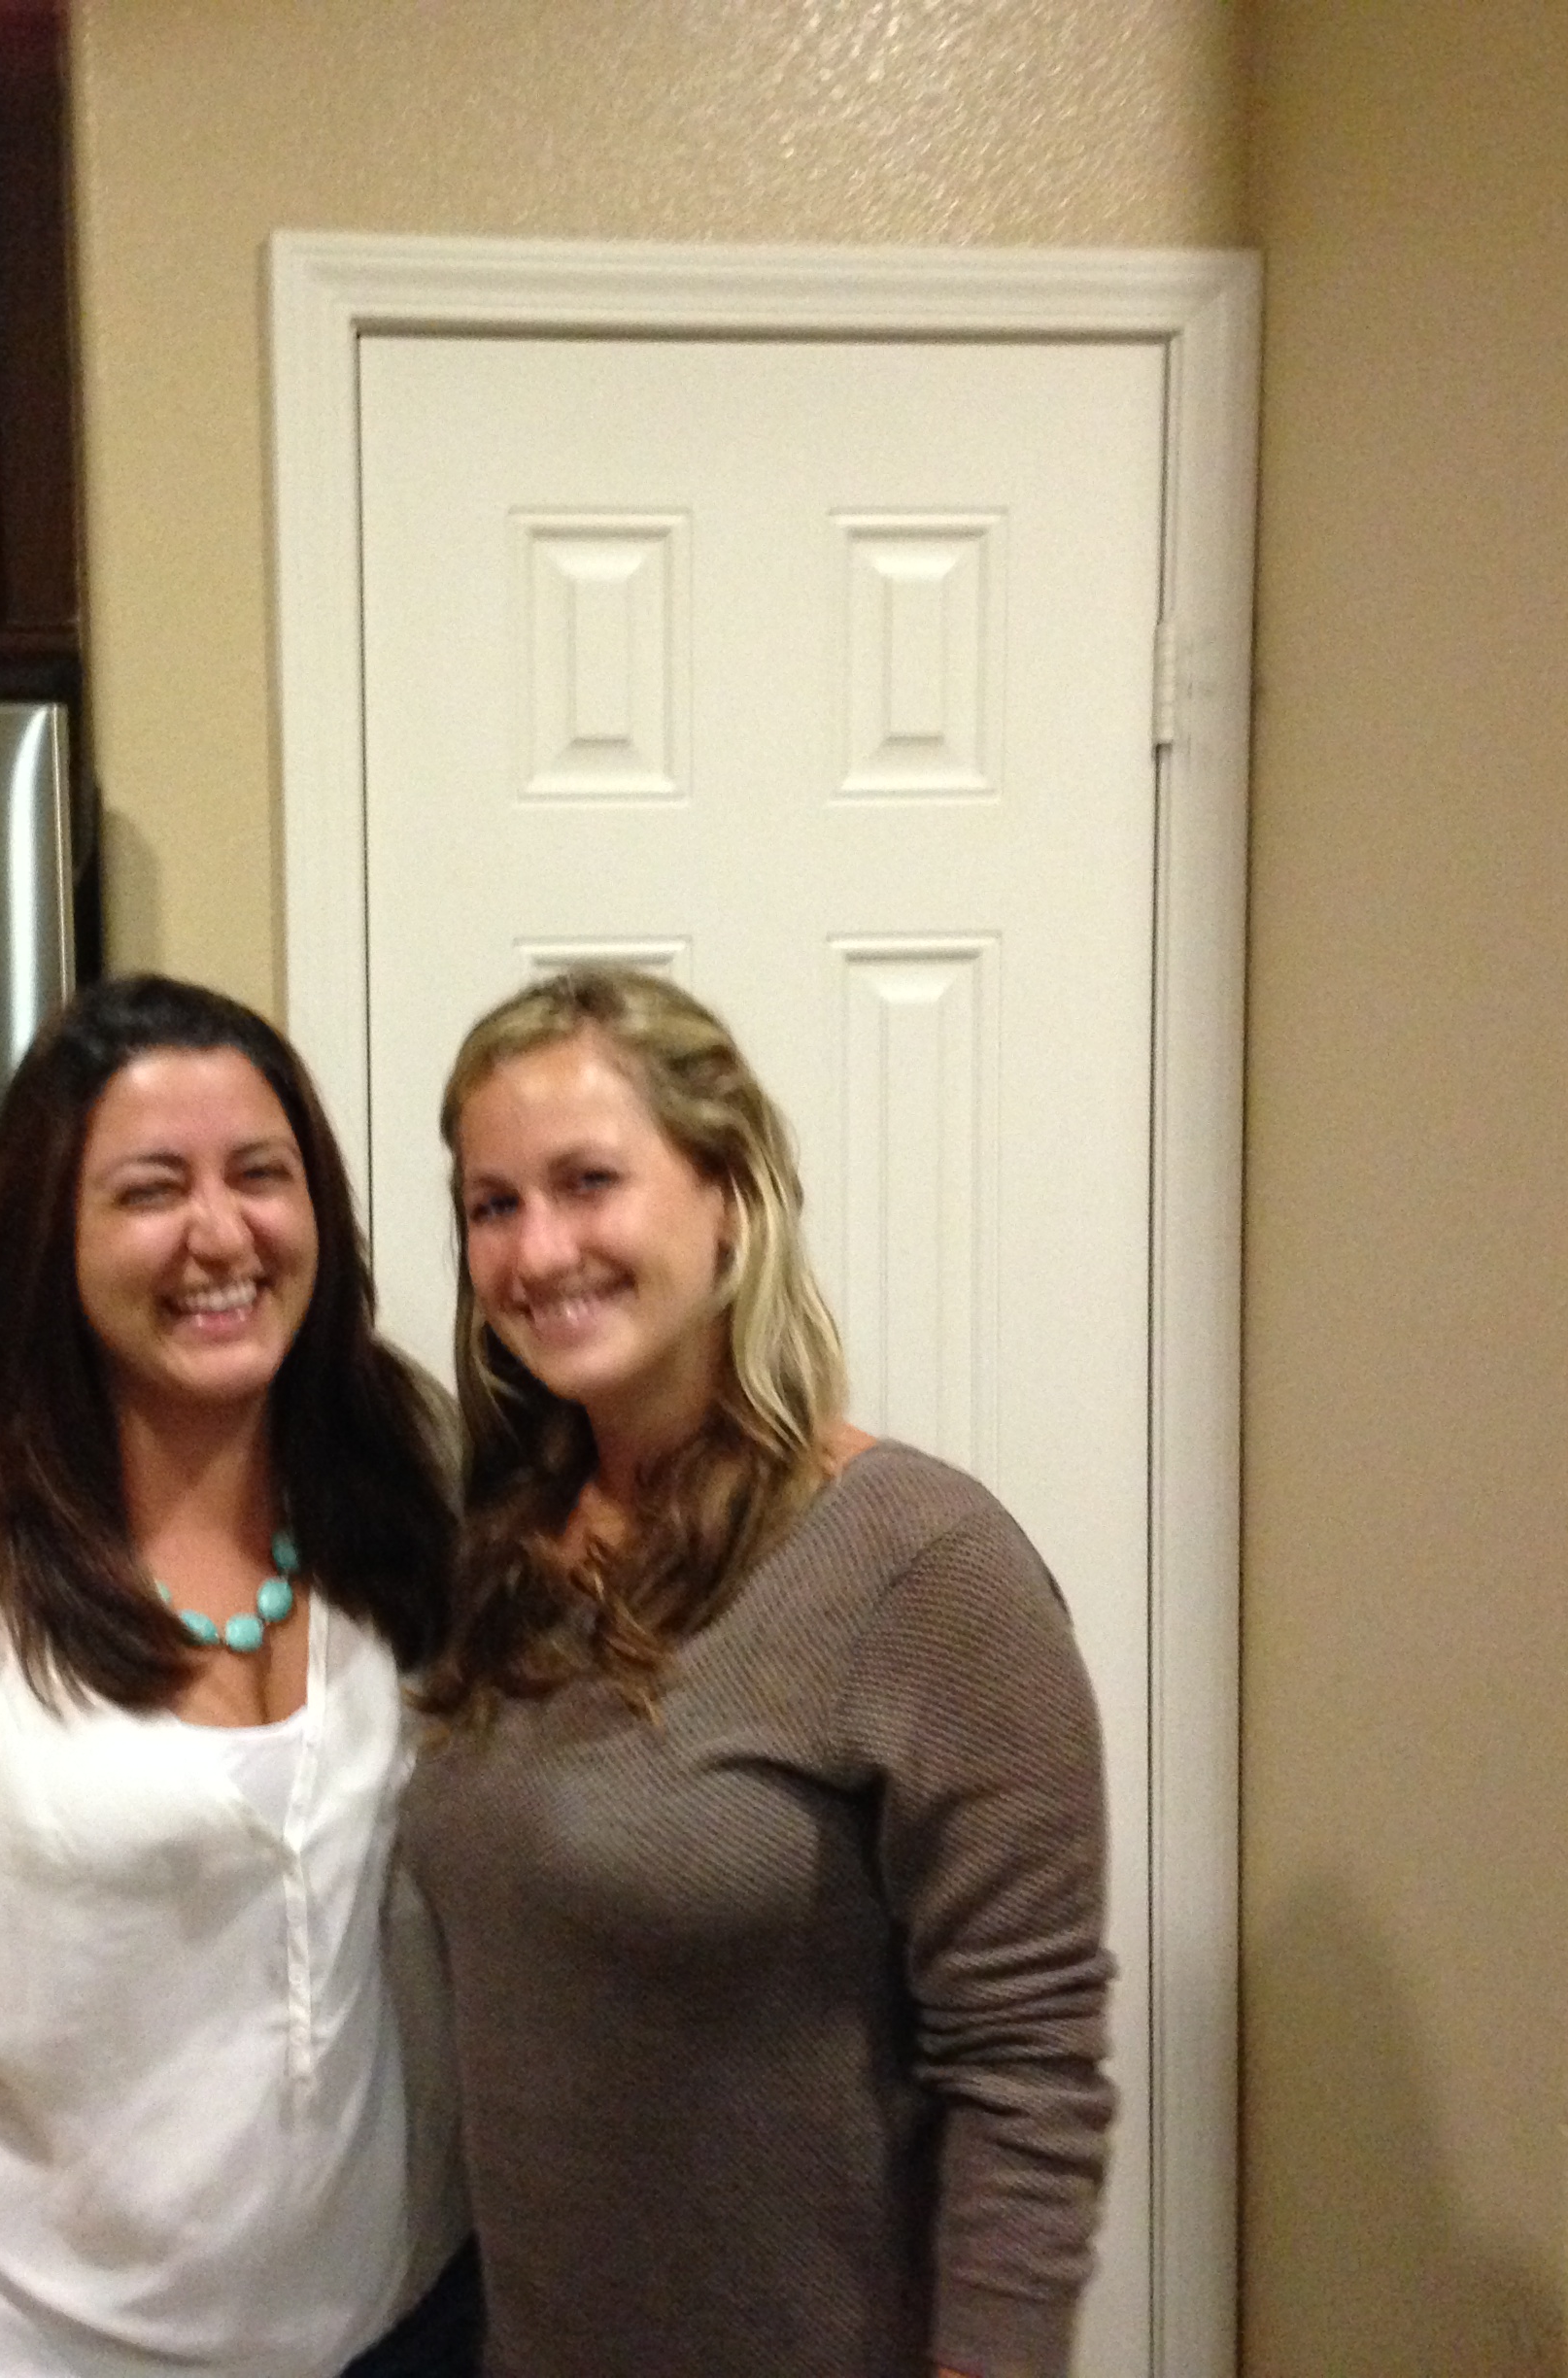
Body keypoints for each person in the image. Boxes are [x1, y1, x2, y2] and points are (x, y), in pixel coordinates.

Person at [0, 973, 476, 2378]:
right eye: (150, 1190)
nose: (220, 1234)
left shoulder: (402, 1485)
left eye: (260, 1175)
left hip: (396, 2337)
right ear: (49, 1235)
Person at [401, 967, 1113, 2378]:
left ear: (729, 1195)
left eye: (589, 1182)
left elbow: (1027, 2070)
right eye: (494, 1205)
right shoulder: (499, 1550)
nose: (539, 1250)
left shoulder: (921, 1566)